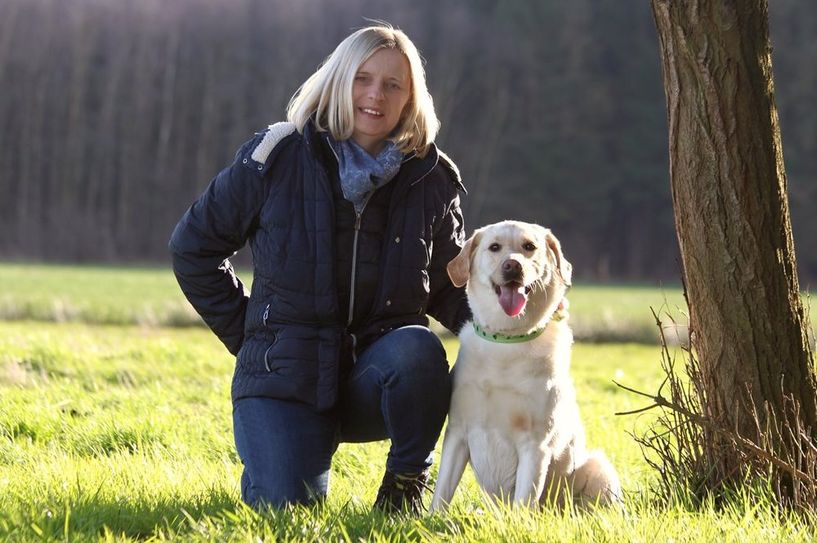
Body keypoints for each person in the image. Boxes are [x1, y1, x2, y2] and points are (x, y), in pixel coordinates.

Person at [169, 23, 470, 514]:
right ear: (337, 80)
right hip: (285, 378)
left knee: (419, 349)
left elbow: (446, 285)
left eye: (393, 84)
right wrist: (247, 333)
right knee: (285, 509)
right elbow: (192, 248)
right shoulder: (275, 155)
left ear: (411, 97)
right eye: (362, 78)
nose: (375, 95)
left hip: (377, 376)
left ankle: (406, 482)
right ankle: (291, 458)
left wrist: (515, 334)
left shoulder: (431, 178)